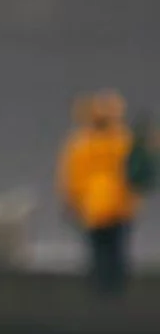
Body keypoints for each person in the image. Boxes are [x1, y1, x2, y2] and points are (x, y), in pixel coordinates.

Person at [60, 90, 140, 296]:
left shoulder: (83, 144)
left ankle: (104, 289)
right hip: (113, 208)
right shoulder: (123, 142)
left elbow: (72, 176)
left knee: (102, 251)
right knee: (113, 251)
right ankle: (113, 289)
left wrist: (72, 201)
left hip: (97, 207)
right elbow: (134, 176)